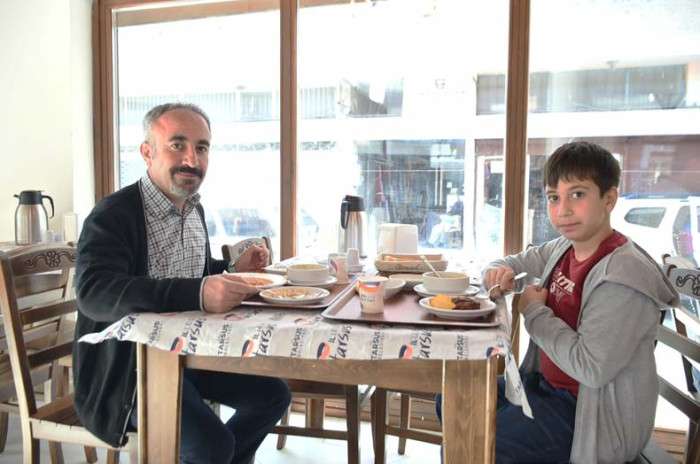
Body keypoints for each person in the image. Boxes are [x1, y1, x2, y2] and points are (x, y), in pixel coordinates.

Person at [73, 103, 291, 464]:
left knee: (273, 397)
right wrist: (200, 293)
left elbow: (192, 273)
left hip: (188, 355)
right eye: (178, 145)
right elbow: (94, 293)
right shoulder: (113, 214)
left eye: (201, 147)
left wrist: (230, 267)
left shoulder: (193, 209)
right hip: (129, 374)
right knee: (212, 446)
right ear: (147, 152)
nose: (192, 159)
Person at [436, 141, 678, 463]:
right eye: (554, 197)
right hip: (545, 388)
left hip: (590, 417)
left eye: (577, 194)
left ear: (609, 199)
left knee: (475, 441)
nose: (563, 210)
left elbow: (591, 369)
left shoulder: (623, 276)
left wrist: (534, 312)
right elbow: (511, 262)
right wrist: (498, 272)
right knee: (452, 400)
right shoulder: (564, 247)